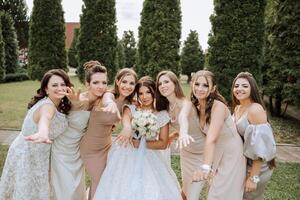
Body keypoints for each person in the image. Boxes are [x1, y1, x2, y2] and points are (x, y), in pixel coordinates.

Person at [93, 76, 182, 200]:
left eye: (148, 92)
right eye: (140, 93)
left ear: (154, 92)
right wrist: (127, 127)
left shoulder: (162, 114)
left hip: (149, 155)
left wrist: (140, 144)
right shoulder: (131, 108)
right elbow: (126, 120)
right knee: (120, 186)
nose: (144, 97)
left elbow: (163, 143)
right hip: (125, 153)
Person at [50, 61, 117, 200]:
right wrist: (74, 105)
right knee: (65, 188)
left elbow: (110, 100)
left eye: (104, 83)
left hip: (78, 150)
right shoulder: (78, 98)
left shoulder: (103, 99)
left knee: (77, 187)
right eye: (96, 82)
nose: (101, 86)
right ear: (87, 84)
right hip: (63, 149)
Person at [0, 69, 71, 200]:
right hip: (27, 154)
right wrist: (43, 132)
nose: (59, 88)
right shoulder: (47, 106)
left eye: (62, 84)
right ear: (46, 89)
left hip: (40, 154)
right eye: (54, 85)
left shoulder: (60, 103)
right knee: (26, 192)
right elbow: (46, 118)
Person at [80, 67, 137, 200]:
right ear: (117, 82)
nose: (127, 86)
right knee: (99, 181)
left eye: (131, 83)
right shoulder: (108, 95)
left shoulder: (130, 103)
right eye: (124, 82)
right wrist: (111, 105)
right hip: (90, 149)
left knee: (106, 182)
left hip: (107, 146)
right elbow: (108, 101)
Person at [191, 70, 246, 200]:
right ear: (192, 84)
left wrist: (205, 167)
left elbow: (211, 138)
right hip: (217, 153)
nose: (200, 88)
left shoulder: (218, 106)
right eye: (197, 84)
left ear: (213, 88)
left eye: (205, 85)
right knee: (215, 191)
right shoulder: (198, 106)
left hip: (232, 154)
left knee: (222, 193)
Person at [156, 70, 205, 200]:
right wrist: (175, 135)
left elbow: (183, 118)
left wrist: (183, 133)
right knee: (186, 190)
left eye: (166, 82)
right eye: (160, 83)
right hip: (187, 153)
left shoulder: (186, 103)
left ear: (175, 84)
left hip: (202, 153)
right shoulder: (165, 108)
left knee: (193, 195)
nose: (162, 85)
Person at [232, 72, 276, 200]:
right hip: (243, 162)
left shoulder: (255, 110)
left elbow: (260, 148)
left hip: (257, 166)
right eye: (236, 85)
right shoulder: (238, 108)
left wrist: (253, 178)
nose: (239, 89)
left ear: (252, 89)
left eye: (245, 86)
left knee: (249, 197)